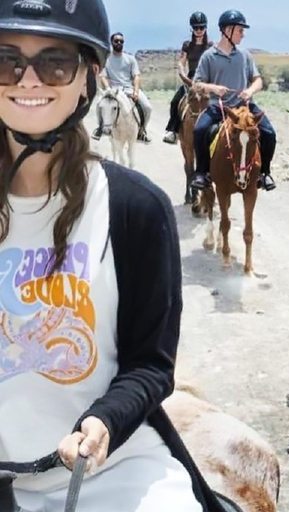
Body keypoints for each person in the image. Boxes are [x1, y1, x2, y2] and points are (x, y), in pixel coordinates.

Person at [0, 0, 230, 510]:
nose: (28, 80)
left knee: (143, 108)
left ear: (87, 76)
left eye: (55, 61)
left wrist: (104, 421)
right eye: (6, 60)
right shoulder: (200, 53)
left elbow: (150, 364)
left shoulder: (136, 209)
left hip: (114, 470)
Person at [189, 9, 277, 192]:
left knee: (269, 132)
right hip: (218, 107)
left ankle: (264, 173)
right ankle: (202, 173)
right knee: (199, 130)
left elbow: (258, 80)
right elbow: (196, 84)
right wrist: (214, 88)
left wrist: (249, 90)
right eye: (240, 30)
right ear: (227, 30)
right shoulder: (209, 56)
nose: (242, 35)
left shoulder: (244, 55)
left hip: (244, 106)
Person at [91, 32, 152, 143]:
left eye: (121, 41)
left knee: (147, 107)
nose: (119, 43)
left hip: (128, 89)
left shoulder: (130, 59)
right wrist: (108, 89)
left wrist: (136, 91)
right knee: (99, 104)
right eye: (116, 41)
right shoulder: (106, 60)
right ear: (112, 42)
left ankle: (142, 131)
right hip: (113, 90)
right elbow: (103, 76)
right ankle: (100, 128)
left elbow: (136, 76)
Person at [162, 11, 213, 145]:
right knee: (175, 102)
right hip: (190, 81)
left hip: (207, 81)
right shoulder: (187, 45)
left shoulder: (210, 46)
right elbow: (181, 62)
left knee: (218, 103)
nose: (199, 30)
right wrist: (183, 75)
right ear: (192, 29)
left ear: (205, 28)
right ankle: (172, 130)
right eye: (196, 28)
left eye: (201, 27)